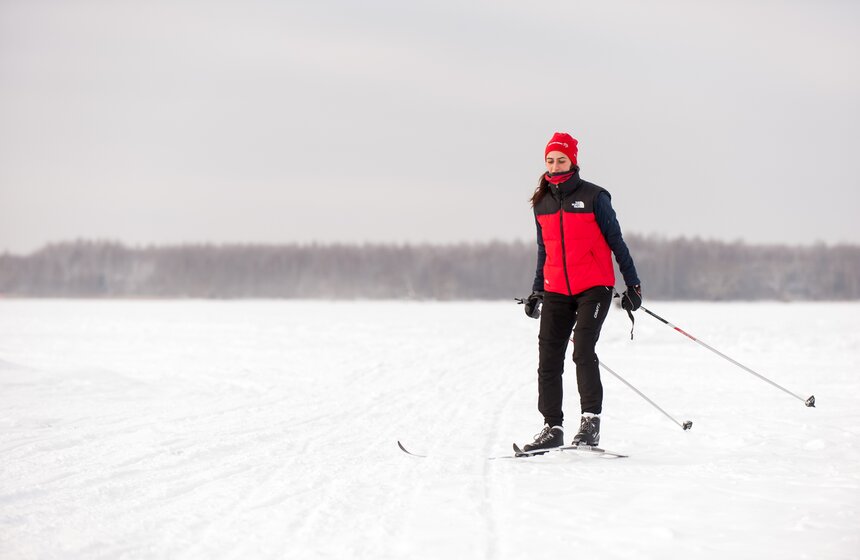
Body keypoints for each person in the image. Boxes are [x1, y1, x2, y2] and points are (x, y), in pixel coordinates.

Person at [520, 131, 642, 452]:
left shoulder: (594, 197)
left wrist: (633, 284)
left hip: (594, 286)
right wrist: (536, 292)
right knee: (548, 357)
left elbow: (617, 243)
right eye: (550, 160)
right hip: (556, 289)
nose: (556, 166)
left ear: (573, 161)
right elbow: (543, 250)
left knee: (583, 349)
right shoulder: (542, 203)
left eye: (561, 160)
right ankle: (552, 427)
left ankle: (590, 423)